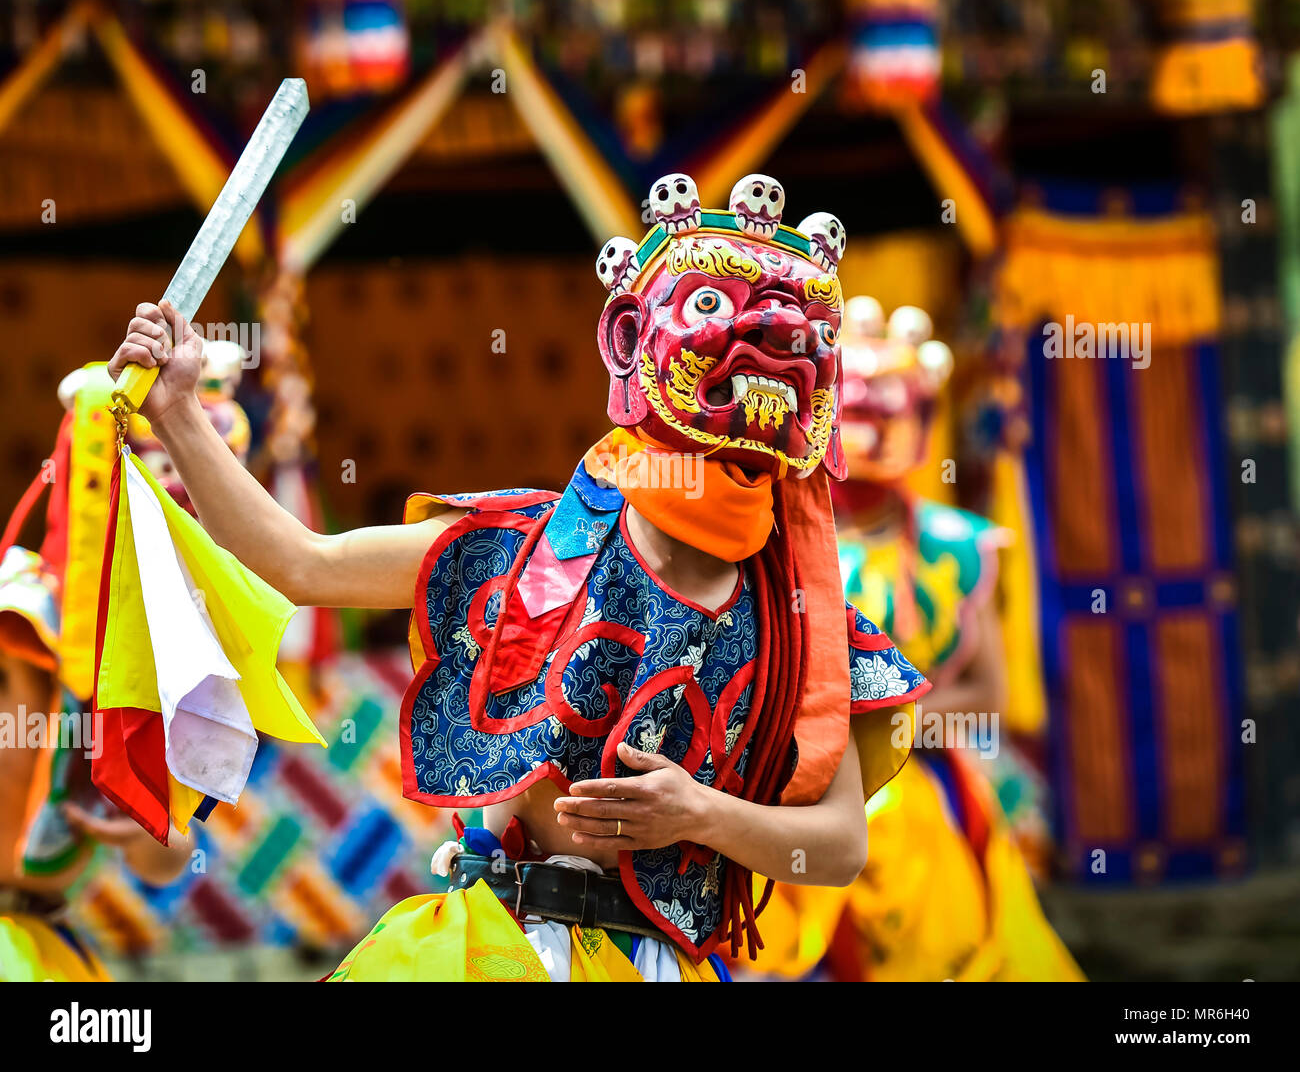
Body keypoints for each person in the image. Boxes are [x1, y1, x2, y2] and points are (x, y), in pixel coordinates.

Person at [107, 173, 928, 981]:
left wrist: (700, 814)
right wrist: (177, 410)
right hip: (492, 946)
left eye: (803, 328)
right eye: (714, 305)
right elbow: (297, 563)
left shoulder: (797, 619)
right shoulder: (520, 546)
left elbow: (838, 846)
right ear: (630, 338)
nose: (770, 338)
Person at [748, 297, 1083, 981]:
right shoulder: (770, 533)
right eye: (856, 407)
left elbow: (987, 695)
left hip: (917, 773)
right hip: (787, 773)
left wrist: (872, 728)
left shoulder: (954, 545)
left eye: (888, 407)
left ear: (924, 418)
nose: (869, 426)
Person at [0, 547, 192, 981]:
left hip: (45, 956)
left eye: (1, 680)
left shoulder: (81, 777)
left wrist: (148, 826)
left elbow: (168, 857)